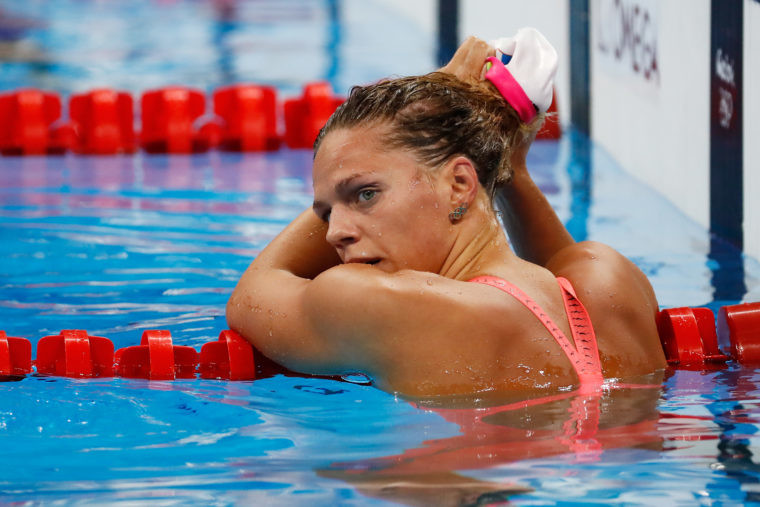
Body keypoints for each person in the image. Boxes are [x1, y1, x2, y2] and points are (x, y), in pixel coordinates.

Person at [226, 28, 666, 398]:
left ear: (459, 185)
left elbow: (251, 295)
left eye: (364, 195)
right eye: (325, 212)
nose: (333, 234)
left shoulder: (383, 307)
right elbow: (545, 286)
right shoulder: (612, 279)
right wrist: (506, 163)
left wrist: (434, 91)